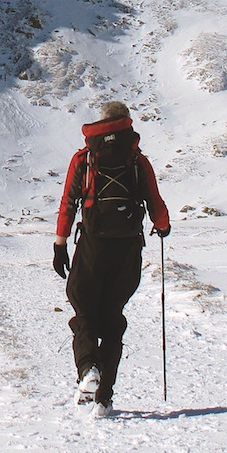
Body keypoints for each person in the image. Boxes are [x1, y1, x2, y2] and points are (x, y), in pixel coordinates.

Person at [52, 100, 170, 414]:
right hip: (129, 248)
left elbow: (68, 203)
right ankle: (104, 398)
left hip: (92, 245)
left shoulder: (85, 158)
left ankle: (88, 370)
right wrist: (163, 227)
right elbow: (156, 204)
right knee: (113, 319)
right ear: (126, 124)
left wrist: (60, 244)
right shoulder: (136, 160)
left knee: (84, 310)